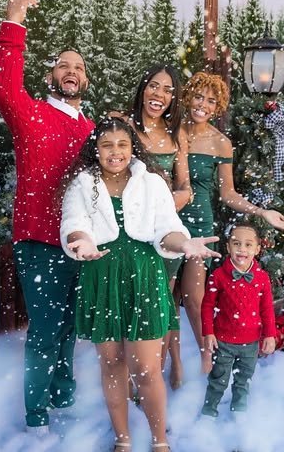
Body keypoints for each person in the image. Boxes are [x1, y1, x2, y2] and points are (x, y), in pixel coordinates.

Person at [60, 117, 221, 452]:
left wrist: (185, 244)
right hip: (101, 277)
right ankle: (122, 439)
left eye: (122, 145)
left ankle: (159, 440)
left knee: (147, 370)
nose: (115, 152)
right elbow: (74, 223)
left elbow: (168, 228)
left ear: (133, 148)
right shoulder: (82, 183)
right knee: (112, 365)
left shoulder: (152, 183)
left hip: (144, 279)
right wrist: (80, 242)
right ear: (97, 149)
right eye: (107, 145)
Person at [0, 0, 95, 435]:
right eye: (63, 65)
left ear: (85, 80)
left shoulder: (93, 131)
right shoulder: (30, 112)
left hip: (81, 245)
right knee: (45, 331)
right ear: (50, 73)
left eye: (79, 67)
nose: (71, 72)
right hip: (38, 242)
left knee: (70, 326)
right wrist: (14, 21)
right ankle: (35, 418)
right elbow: (3, 85)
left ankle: (63, 397)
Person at [177, 72, 284, 375]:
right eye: (198, 96)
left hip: (200, 225)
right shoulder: (172, 132)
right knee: (166, 299)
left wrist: (261, 212)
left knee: (195, 299)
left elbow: (228, 194)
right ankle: (175, 363)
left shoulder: (221, 144)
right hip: (167, 222)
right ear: (188, 97)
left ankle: (208, 355)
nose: (202, 104)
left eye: (211, 100)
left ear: (219, 107)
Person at [114, 64, 191, 389]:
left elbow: (185, 186)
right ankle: (129, 375)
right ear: (143, 89)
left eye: (167, 89)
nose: (159, 94)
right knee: (128, 303)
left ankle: (155, 376)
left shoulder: (177, 135)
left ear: (173, 99)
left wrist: (167, 204)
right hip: (130, 236)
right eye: (154, 86)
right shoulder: (124, 127)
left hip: (164, 235)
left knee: (160, 305)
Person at [200, 223, 277, 418]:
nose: (242, 249)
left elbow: (267, 308)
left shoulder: (262, 278)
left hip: (250, 342)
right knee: (218, 379)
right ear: (228, 247)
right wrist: (208, 332)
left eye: (248, 245)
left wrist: (269, 334)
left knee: (244, 379)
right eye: (236, 243)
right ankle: (209, 412)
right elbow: (207, 305)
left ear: (257, 249)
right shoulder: (218, 276)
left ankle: (239, 412)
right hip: (223, 340)